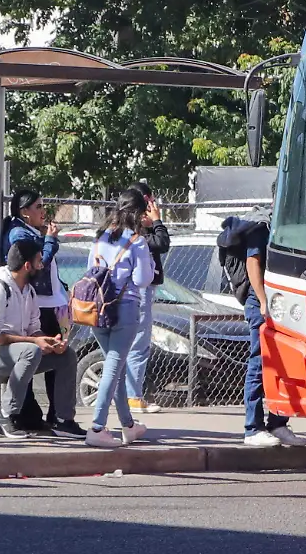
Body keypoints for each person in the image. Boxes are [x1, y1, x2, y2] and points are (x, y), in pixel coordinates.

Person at [0, 238, 77, 439]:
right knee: (30, 350)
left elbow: (33, 329)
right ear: (27, 265)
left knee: (67, 355)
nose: (41, 266)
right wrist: (34, 342)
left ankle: (63, 420)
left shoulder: (29, 291)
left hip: (17, 352)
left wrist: (50, 341)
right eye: (38, 261)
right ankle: (6, 413)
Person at [217, 215, 305, 447]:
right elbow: (253, 262)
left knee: (286, 363)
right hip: (262, 304)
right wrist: (263, 300)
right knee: (259, 363)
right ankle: (252, 428)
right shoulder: (261, 228)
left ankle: (278, 423)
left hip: (282, 302)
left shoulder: (284, 226)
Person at [84, 191, 154, 448]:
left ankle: (128, 426)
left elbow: (90, 268)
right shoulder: (137, 241)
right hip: (124, 309)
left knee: (118, 368)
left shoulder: (101, 237)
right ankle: (97, 428)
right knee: (113, 368)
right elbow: (141, 280)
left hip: (97, 309)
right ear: (136, 213)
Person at [1, 190, 71, 433]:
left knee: (60, 356)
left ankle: (57, 415)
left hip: (53, 304)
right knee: (36, 358)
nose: (44, 211)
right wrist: (50, 240)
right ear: (24, 212)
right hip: (39, 305)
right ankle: (28, 415)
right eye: (38, 207)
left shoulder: (31, 231)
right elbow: (39, 265)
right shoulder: (20, 233)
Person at [123, 182, 170, 417]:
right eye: (149, 201)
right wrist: (157, 222)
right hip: (138, 289)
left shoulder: (127, 228)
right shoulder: (135, 230)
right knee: (139, 345)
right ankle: (132, 397)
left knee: (133, 344)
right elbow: (162, 243)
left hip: (136, 289)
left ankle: (128, 396)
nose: (152, 205)